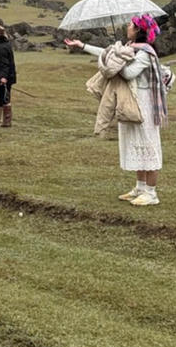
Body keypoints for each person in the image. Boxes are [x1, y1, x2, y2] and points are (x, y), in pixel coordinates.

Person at [64, 13, 168, 206]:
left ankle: (151, 193)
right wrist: (82, 46)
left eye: (130, 25)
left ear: (138, 30)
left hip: (143, 102)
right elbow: (106, 52)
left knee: (148, 145)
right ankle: (140, 187)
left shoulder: (146, 53)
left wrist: (117, 60)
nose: (127, 27)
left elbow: (129, 73)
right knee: (136, 143)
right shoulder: (129, 48)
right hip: (130, 100)